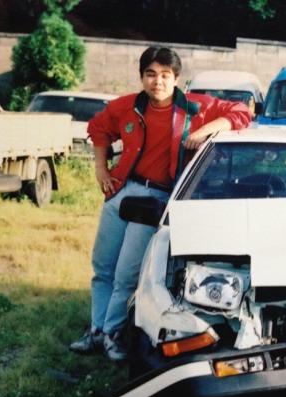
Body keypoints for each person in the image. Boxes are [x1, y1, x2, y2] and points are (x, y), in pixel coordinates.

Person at [69, 46, 252, 362]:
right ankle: (95, 330)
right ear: (142, 77)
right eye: (151, 74)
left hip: (154, 199)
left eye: (165, 75)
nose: (158, 81)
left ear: (176, 78)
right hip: (121, 191)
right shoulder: (127, 106)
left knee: (126, 274)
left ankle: (112, 335)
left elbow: (241, 113)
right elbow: (98, 128)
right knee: (103, 267)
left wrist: (207, 128)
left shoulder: (196, 107)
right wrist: (101, 169)